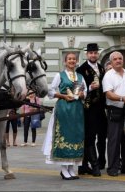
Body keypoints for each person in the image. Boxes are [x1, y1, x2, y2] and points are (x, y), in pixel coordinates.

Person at [43, 52, 87, 180]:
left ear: (77, 61)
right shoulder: (59, 75)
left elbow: (85, 91)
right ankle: (63, 169)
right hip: (64, 108)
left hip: (77, 109)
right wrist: (62, 96)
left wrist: (82, 94)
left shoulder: (80, 76)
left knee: (75, 136)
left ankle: (71, 168)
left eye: (74, 59)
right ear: (65, 61)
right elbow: (50, 91)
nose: (72, 61)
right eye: (69, 59)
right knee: (64, 135)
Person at [76, 43, 107, 177]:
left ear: (98, 54)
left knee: (102, 135)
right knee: (89, 136)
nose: (93, 55)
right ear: (86, 54)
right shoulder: (81, 69)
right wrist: (90, 88)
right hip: (88, 108)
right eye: (91, 53)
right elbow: (77, 89)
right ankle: (94, 166)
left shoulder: (101, 67)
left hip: (101, 107)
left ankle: (90, 164)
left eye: (95, 52)